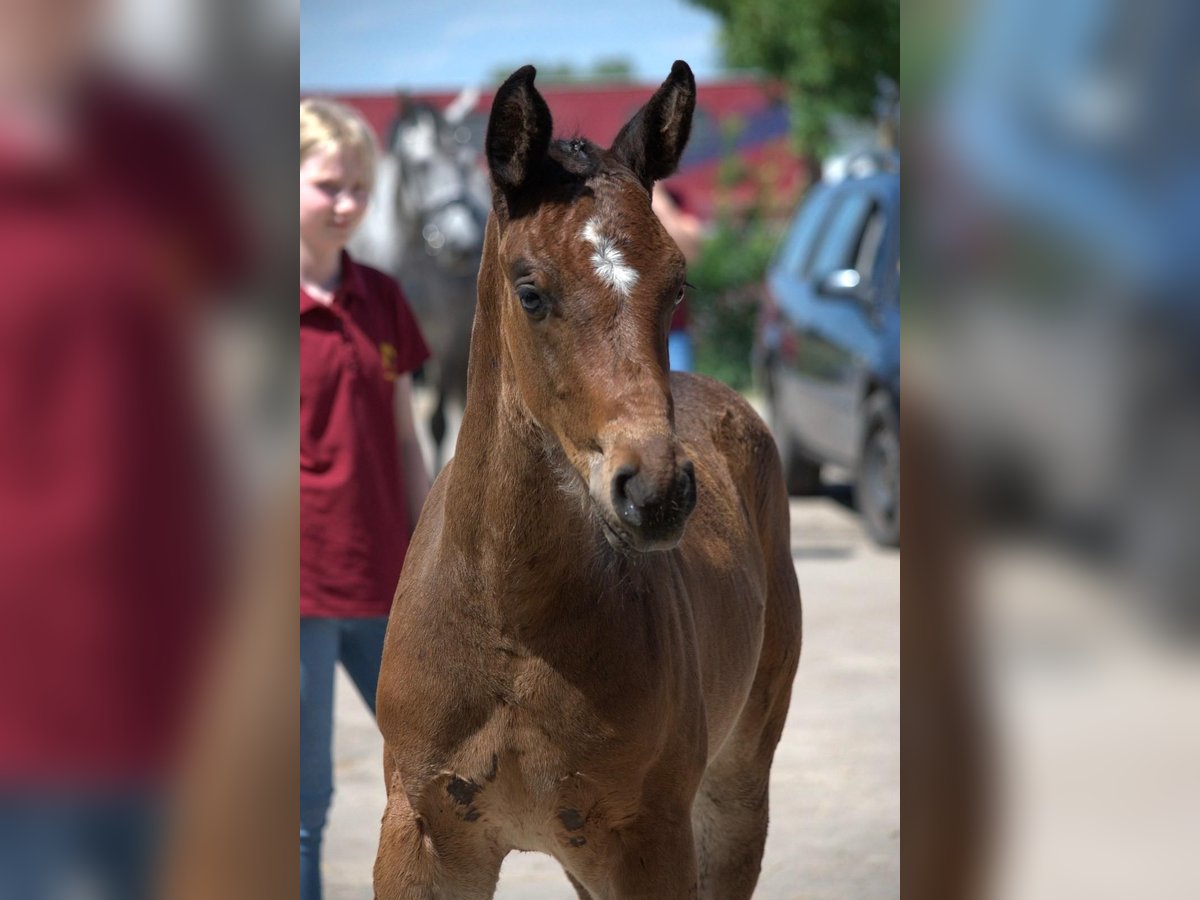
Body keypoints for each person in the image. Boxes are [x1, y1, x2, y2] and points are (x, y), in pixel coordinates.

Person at [299, 98, 430, 900]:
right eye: (328, 186)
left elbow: (408, 439)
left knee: (439, 776)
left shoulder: (382, 297)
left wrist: (429, 556)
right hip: (292, 594)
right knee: (302, 806)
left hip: (387, 584)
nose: (347, 203)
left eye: (359, 188)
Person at [651, 182, 705, 372]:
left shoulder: (674, 197)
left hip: (671, 333)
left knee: (679, 397)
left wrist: (657, 199)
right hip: (618, 336)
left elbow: (691, 252)